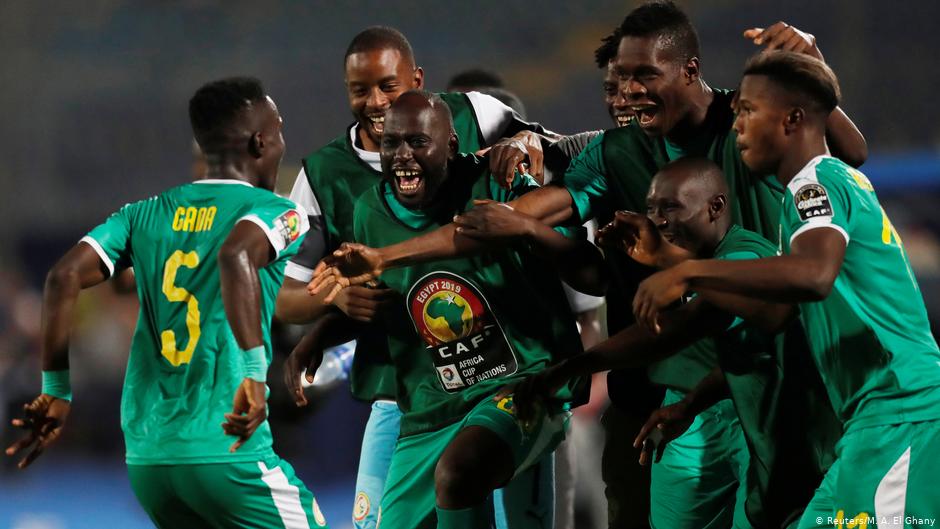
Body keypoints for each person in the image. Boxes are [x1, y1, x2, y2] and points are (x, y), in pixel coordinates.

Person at [308, 5, 866, 528]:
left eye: (642, 76)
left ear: (690, 69)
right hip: (663, 385)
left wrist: (811, 67)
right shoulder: (610, 150)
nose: (626, 93)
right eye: (617, 80)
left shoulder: (746, 123)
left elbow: (848, 151)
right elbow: (517, 222)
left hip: (785, 377)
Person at [632, 51, 940, 527]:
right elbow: (776, 324)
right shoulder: (824, 192)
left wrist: (690, 274)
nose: (738, 125)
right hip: (877, 421)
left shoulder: (813, 183)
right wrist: (691, 403)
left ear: (792, 119)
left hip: (899, 415)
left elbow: (814, 275)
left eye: (749, 111)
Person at [5, 77, 328, 529]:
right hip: (227, 455)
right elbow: (237, 256)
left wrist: (56, 392)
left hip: (150, 461)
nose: (281, 141)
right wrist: (255, 375)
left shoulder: (142, 214)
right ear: (261, 141)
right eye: (279, 130)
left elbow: (63, 277)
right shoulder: (278, 212)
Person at [274, 26, 552, 529]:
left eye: (388, 86)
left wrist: (528, 139)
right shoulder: (322, 176)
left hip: (502, 374)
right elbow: (286, 297)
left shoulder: (475, 114)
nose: (376, 102)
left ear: (418, 79)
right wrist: (334, 306)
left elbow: (548, 156)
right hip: (404, 390)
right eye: (361, 90)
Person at [505, 157, 843, 528]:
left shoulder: (743, 256)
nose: (658, 220)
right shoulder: (688, 265)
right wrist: (689, 404)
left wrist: (571, 367)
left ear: (715, 207)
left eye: (671, 207)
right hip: (705, 409)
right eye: (651, 208)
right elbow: (739, 354)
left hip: (779, 431)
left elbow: (676, 329)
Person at [344, 89, 605, 529]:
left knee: (460, 472)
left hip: (521, 386)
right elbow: (380, 298)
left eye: (417, 143)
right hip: (433, 406)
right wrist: (328, 318)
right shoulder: (369, 211)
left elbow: (592, 276)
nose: (402, 156)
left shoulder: (497, 182)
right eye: (391, 144)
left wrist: (525, 221)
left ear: (451, 146)